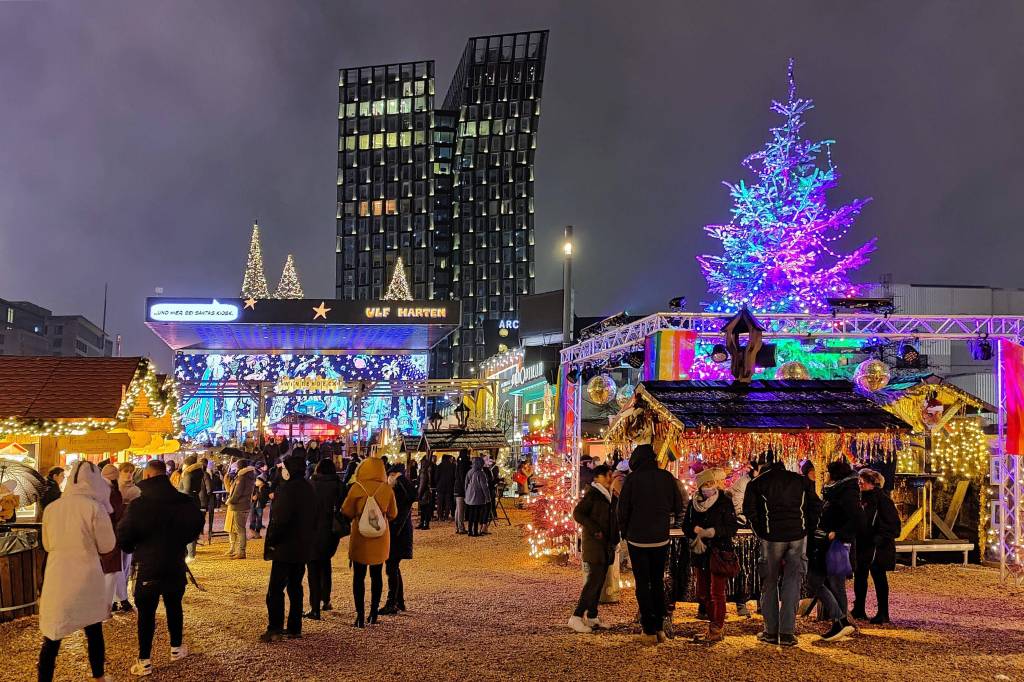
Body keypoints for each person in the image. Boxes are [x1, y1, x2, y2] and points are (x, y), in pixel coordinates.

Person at [117, 459, 204, 677]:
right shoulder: (183, 502)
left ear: (146, 476)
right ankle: (176, 648)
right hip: (175, 562)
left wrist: (133, 548)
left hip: (148, 565)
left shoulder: (139, 505)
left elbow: (124, 535)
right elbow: (196, 524)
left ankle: (145, 660)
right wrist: (181, 542)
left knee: (146, 613)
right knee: (175, 605)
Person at [37, 460, 116, 682]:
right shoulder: (94, 508)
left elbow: (47, 544)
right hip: (86, 576)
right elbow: (107, 545)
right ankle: (98, 676)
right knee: (93, 630)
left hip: (57, 575)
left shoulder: (52, 508)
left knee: (52, 636)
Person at [744, 457, 821, 647]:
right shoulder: (801, 481)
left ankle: (771, 631)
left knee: (769, 583)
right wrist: (807, 529)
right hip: (797, 536)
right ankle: (787, 632)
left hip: (771, 538)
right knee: (792, 582)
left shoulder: (757, 483)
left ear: (763, 465)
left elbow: (749, 510)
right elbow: (815, 506)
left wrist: (761, 531)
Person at [617, 442, 684, 645]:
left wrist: (625, 531)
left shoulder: (631, 480)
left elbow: (623, 509)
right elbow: (678, 504)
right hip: (660, 537)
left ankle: (648, 628)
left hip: (638, 538)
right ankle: (659, 627)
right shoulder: (666, 477)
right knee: (657, 582)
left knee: (642, 583)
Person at [261, 456, 315, 642]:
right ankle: (294, 627)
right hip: (302, 546)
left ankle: (275, 628)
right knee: (295, 587)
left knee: (275, 589)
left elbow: (280, 520)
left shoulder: (287, 490)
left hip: (285, 547)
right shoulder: (309, 488)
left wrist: (273, 541)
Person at [810, 459, 865, 642]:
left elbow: (858, 519)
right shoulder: (839, 492)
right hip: (830, 543)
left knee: (823, 582)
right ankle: (840, 623)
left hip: (835, 545)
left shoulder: (846, 493)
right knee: (834, 585)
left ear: (833, 475)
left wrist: (838, 534)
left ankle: (840, 622)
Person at [684, 467, 738, 644]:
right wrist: (695, 531)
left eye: (711, 483)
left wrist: (714, 532)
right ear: (699, 487)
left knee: (717, 592)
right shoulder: (694, 504)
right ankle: (713, 625)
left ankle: (717, 627)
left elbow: (732, 527)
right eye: (705, 484)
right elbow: (686, 525)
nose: (709, 487)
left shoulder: (724, 501)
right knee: (703, 592)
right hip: (701, 552)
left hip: (719, 551)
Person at [342, 457, 398, 627]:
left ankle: (360, 616)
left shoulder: (356, 488)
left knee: (358, 577)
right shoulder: (386, 489)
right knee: (377, 575)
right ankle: (373, 612)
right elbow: (393, 514)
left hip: (360, 536)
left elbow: (346, 511)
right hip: (380, 537)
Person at [568, 464, 618, 634]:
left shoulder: (609, 495)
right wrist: (595, 530)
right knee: (593, 583)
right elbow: (578, 514)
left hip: (606, 545)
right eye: (607, 475)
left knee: (599, 582)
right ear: (598, 478)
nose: (610, 478)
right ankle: (576, 616)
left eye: (611, 474)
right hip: (595, 545)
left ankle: (592, 616)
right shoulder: (593, 495)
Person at [851, 468, 900, 624]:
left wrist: (879, 538)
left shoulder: (883, 500)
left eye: (862, 482)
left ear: (870, 483)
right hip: (864, 544)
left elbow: (893, 525)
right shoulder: (861, 499)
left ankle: (883, 612)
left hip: (877, 547)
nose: (859, 484)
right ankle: (859, 608)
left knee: (879, 578)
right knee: (860, 576)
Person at [305, 459, 344, 620]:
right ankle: (326, 599)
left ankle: (315, 607)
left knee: (313, 569)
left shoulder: (310, 485)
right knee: (326, 564)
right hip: (331, 531)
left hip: (312, 531)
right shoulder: (339, 485)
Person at [381, 463, 416, 615]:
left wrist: (399, 478)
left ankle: (392, 602)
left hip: (397, 532)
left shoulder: (400, 488)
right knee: (393, 566)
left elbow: (412, 495)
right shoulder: (402, 495)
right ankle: (399, 601)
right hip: (398, 531)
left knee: (391, 567)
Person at [99, 464, 130, 613]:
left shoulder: (98, 490)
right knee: (113, 569)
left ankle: (118, 600)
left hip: (103, 533)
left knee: (113, 568)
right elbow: (115, 512)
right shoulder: (112, 492)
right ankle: (112, 602)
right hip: (112, 533)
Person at [226, 458, 256, 559]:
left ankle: (241, 552)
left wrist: (230, 501)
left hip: (239, 505)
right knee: (241, 529)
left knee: (240, 530)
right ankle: (240, 550)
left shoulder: (242, 477)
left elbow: (237, 493)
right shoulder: (250, 476)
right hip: (246, 504)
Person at [464, 457, 491, 537]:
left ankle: (469, 531)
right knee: (476, 514)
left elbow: (466, 484)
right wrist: (488, 497)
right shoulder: (480, 473)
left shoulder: (470, 471)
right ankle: (475, 531)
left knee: (471, 514)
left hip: (469, 495)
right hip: (478, 496)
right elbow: (484, 487)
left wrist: (467, 493)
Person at [250, 463, 271, 539]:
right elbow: (252, 495)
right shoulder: (255, 488)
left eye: (258, 480)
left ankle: (257, 533)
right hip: (254, 505)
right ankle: (253, 532)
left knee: (259, 519)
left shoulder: (265, 489)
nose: (256, 482)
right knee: (252, 519)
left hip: (260, 506)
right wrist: (253, 497)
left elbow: (264, 497)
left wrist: (257, 496)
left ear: (262, 481)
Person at [434, 454, 457, 522]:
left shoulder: (439, 466)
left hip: (440, 487)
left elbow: (436, 477)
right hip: (450, 487)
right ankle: (446, 516)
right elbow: (454, 476)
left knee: (440, 503)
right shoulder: (453, 466)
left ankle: (440, 516)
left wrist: (437, 483)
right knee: (448, 502)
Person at [453, 450, 471, 533]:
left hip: (457, 487)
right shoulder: (464, 463)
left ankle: (457, 526)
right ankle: (461, 527)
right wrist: (466, 487)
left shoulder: (458, 463)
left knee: (458, 508)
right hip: (461, 489)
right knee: (461, 509)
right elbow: (463, 477)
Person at [416, 454, 435, 530]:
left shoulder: (423, 472)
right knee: (425, 509)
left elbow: (422, 484)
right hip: (426, 492)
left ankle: (425, 523)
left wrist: (419, 494)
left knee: (424, 509)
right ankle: (424, 523)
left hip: (424, 493)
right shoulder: (428, 471)